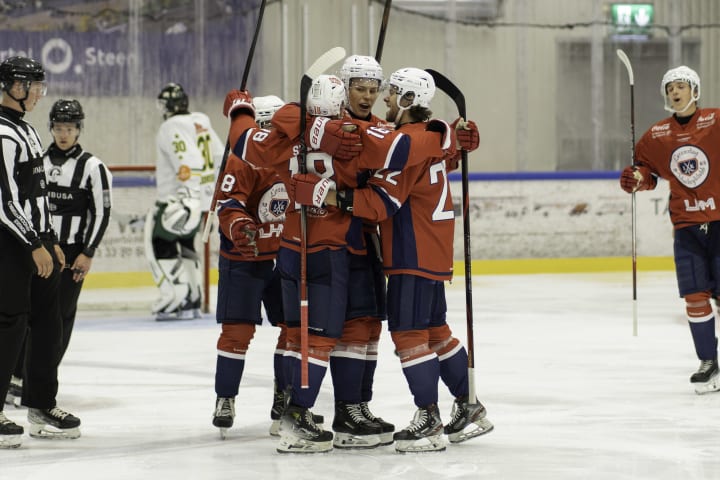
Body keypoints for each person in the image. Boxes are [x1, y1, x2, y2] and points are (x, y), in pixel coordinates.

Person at [225, 74, 454, 452]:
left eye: (374, 89)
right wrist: (442, 135)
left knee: (357, 328)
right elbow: (398, 152)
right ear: (343, 97)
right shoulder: (355, 135)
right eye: (358, 89)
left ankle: (349, 411)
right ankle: (296, 415)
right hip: (322, 246)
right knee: (316, 335)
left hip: (339, 246)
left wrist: (240, 109)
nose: (369, 96)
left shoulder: (291, 129)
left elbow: (247, 142)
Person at [300, 67, 493, 452]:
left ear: (407, 100)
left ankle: (428, 418)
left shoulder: (407, 143)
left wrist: (325, 194)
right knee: (436, 331)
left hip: (412, 252)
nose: (383, 99)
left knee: (409, 336)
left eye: (389, 93)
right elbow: (434, 142)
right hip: (430, 251)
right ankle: (470, 406)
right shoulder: (431, 134)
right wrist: (454, 136)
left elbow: (377, 203)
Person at [6, 99, 113, 408]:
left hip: (72, 254)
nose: (63, 134)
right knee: (26, 312)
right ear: (50, 128)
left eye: (69, 128)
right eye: (58, 127)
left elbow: (102, 214)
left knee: (59, 318)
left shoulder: (93, 167)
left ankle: (40, 377)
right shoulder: (36, 159)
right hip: (40, 247)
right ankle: (17, 376)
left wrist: (88, 252)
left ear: (79, 130)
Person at [619, 65, 720, 394]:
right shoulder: (657, 135)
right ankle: (708, 361)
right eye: (669, 88)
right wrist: (636, 180)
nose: (674, 92)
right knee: (694, 298)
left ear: (695, 89)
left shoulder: (716, 121)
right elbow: (647, 173)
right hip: (687, 227)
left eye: (680, 86)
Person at [0, 56, 80, 448]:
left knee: (49, 323)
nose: (37, 93)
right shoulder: (2, 133)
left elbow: (37, 195)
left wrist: (50, 239)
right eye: (32, 85)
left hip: (37, 243)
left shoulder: (27, 130)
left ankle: (41, 403)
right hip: (11, 246)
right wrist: (33, 243)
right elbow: (4, 201)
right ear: (14, 86)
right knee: (10, 324)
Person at [211, 94, 300, 438]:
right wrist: (238, 226)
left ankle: (284, 396)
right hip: (244, 259)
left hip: (285, 257)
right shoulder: (242, 161)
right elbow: (228, 203)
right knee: (237, 333)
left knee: (292, 331)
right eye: (266, 126)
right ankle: (225, 397)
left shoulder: (292, 157)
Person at [146, 82, 224, 320]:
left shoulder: (171, 126)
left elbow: (189, 163)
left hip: (179, 199)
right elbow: (221, 155)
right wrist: (210, 196)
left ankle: (175, 297)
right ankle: (193, 296)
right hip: (203, 201)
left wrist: (187, 198)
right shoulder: (202, 121)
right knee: (188, 246)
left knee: (159, 242)